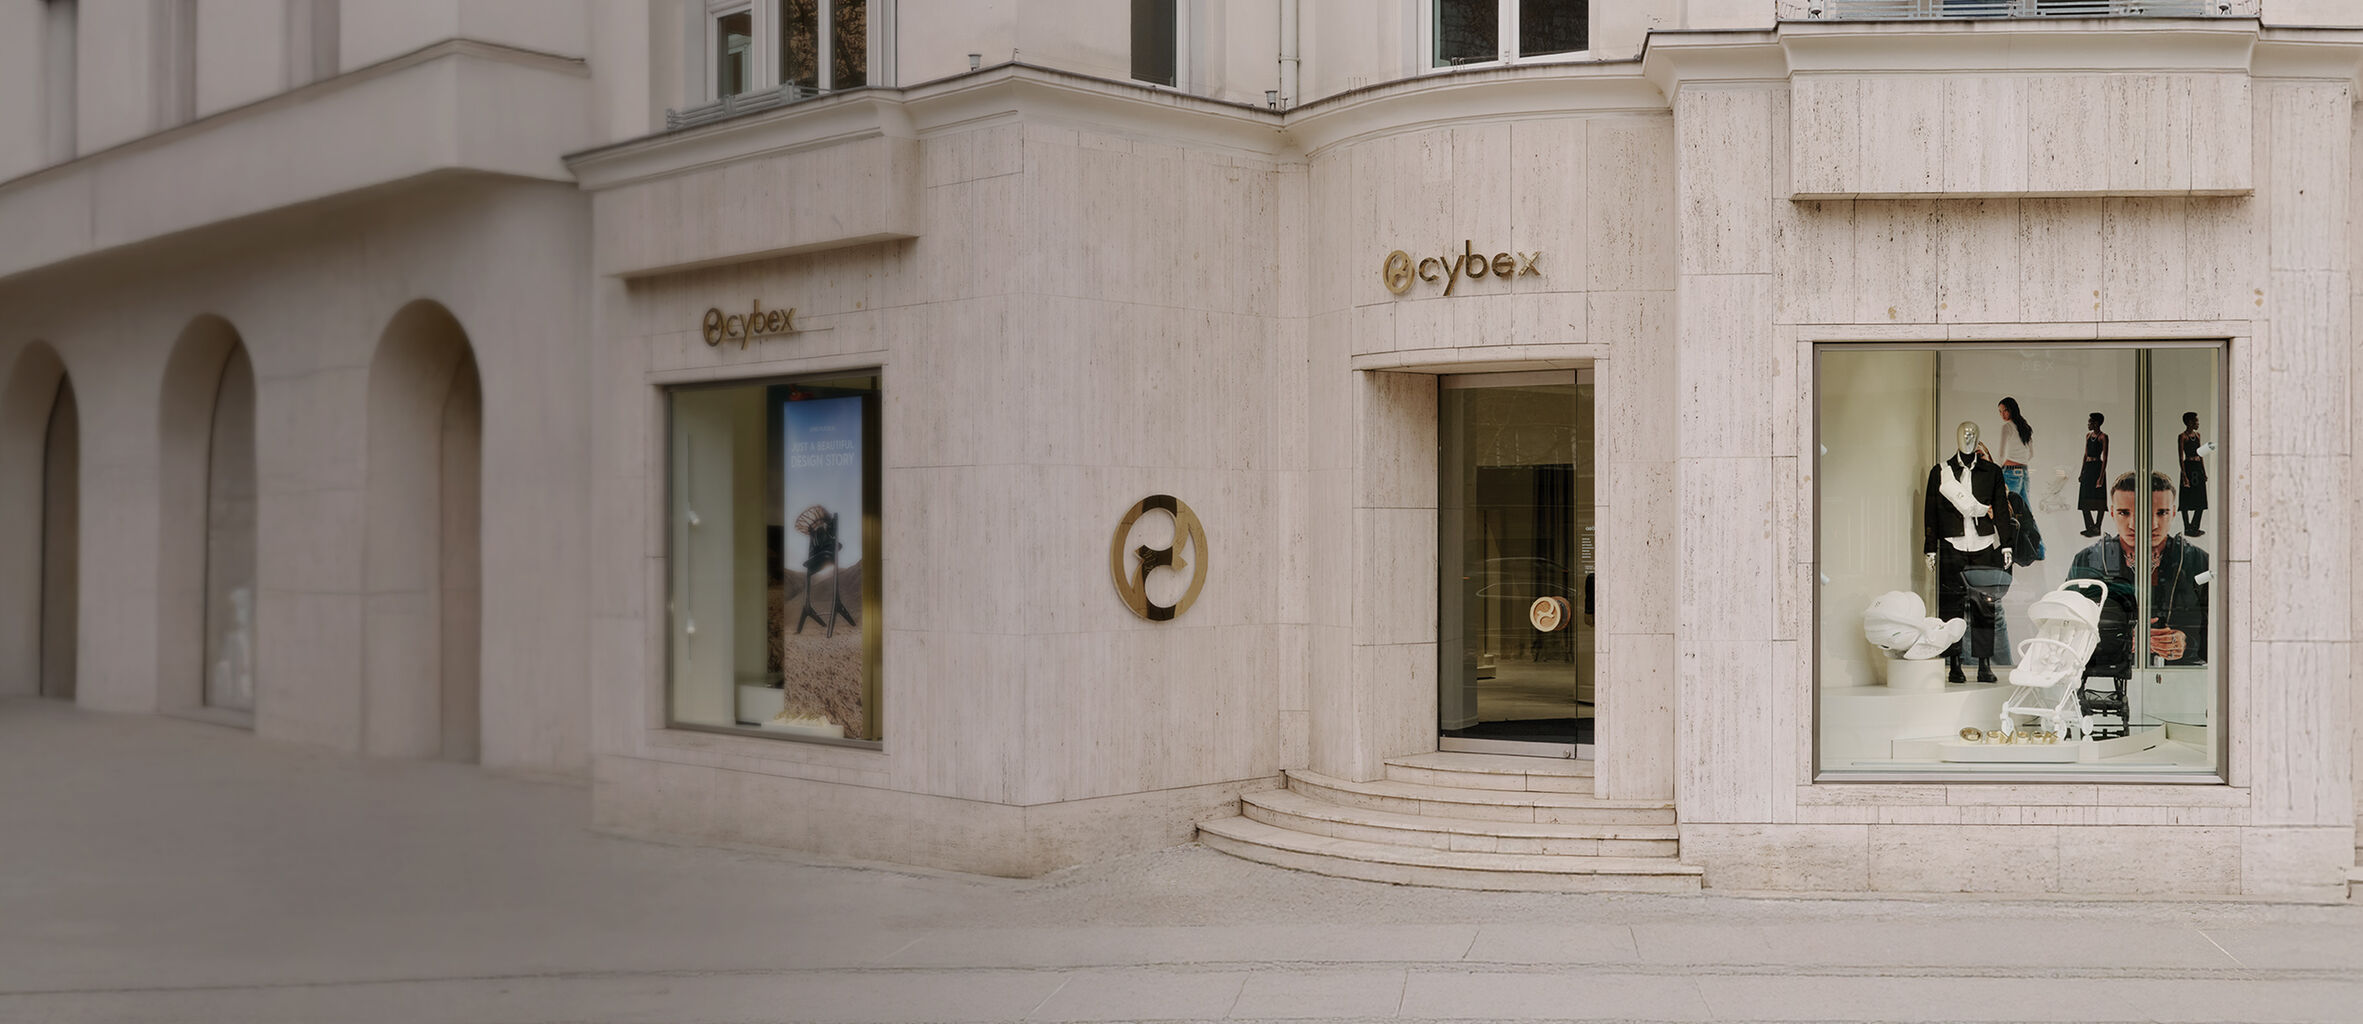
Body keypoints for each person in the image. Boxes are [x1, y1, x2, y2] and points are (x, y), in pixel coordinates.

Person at [2067, 471, 2208, 669]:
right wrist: (2114, 641)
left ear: (2174, 512)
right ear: (2112, 511)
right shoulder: (2089, 560)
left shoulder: (2197, 560)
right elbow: (2067, 627)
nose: (2142, 525)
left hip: (2182, 677)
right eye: (2125, 512)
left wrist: (2188, 642)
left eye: (2161, 512)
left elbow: (2222, 629)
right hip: (2108, 676)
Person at [1991, 396, 2042, 559]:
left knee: (2007, 511)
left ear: (2012, 409)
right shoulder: (2025, 427)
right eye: (2000, 411)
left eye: (2005, 410)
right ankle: (2038, 550)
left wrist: (2002, 467)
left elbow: (2000, 453)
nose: (2003, 414)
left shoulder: (2007, 427)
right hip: (2024, 472)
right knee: (2026, 511)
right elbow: (2031, 454)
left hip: (2010, 471)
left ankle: (2011, 550)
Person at [2178, 411, 2211, 537]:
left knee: (2200, 498)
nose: (2198, 423)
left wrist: (2204, 471)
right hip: (2188, 467)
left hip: (2197, 467)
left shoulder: (2197, 435)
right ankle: (2187, 527)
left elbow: (2200, 453)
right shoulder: (2183, 436)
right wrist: (2184, 475)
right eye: (2196, 421)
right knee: (2186, 498)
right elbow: (2181, 457)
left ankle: (2195, 526)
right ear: (2190, 422)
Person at [2077, 412, 2108, 537]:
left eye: (2090, 422)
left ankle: (2097, 527)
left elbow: (2105, 457)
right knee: (2084, 499)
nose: (2088, 424)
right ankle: (2089, 526)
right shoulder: (2088, 436)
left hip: (2097, 468)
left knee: (2099, 500)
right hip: (2088, 468)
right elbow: (2085, 455)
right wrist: (2082, 471)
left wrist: (2101, 477)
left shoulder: (2103, 437)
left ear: (2096, 423)